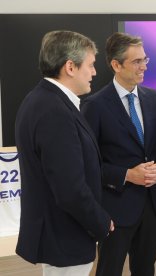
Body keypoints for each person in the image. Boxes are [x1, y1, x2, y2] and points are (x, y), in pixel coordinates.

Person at [14, 30, 113, 276]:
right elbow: (69, 189)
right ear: (70, 66)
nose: (94, 72)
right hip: (66, 236)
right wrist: (101, 221)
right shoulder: (54, 110)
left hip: (60, 235)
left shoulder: (41, 99)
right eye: (90, 65)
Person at [81, 32, 156, 276]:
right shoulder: (95, 106)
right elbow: (88, 164)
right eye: (136, 62)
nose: (143, 67)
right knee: (109, 271)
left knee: (145, 270)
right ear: (116, 65)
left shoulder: (153, 98)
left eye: (145, 60)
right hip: (115, 209)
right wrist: (127, 175)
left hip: (152, 208)